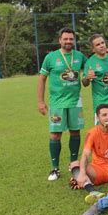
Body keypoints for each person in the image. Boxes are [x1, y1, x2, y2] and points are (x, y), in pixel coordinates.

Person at [37, 27, 87, 181]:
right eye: (65, 39)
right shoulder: (51, 57)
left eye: (71, 39)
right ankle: (55, 168)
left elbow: (88, 75)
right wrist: (40, 101)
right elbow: (42, 79)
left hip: (75, 101)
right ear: (60, 40)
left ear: (74, 40)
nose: (68, 41)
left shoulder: (80, 57)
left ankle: (73, 163)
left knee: (75, 132)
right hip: (57, 102)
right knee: (55, 134)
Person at [83, 34, 108, 125]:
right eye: (98, 44)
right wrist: (87, 78)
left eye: (103, 43)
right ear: (93, 49)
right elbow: (85, 83)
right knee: (102, 132)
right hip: (100, 103)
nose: (102, 45)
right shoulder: (90, 62)